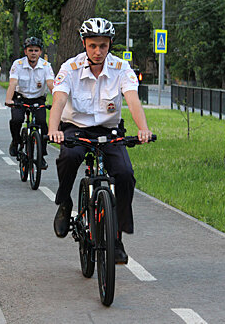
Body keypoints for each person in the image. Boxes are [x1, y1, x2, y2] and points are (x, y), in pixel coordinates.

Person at [48, 18, 152, 264]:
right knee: (68, 157)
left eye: (103, 46)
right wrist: (54, 129)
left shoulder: (120, 67)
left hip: (109, 130)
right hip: (76, 128)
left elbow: (132, 99)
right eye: (93, 45)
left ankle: (116, 238)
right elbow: (60, 101)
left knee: (125, 174)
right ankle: (64, 202)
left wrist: (143, 129)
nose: (98, 51)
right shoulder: (70, 68)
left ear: (109, 45)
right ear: (84, 43)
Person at [5, 37, 54, 168]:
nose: (33, 53)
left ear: (40, 52)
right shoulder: (18, 64)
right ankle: (16, 142)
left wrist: (57, 101)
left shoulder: (46, 66)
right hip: (20, 97)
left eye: (36, 50)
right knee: (16, 120)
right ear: (25, 51)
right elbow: (13, 83)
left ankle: (41, 155)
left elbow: (51, 84)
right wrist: (9, 99)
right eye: (30, 50)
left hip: (38, 99)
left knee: (42, 123)